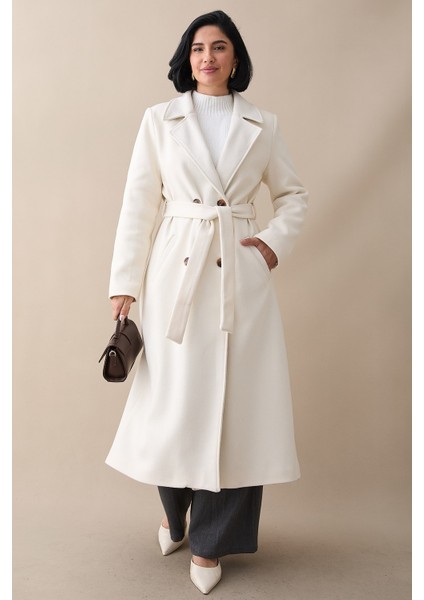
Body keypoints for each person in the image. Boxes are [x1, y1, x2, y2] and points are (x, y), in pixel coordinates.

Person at [106, 9, 308, 594]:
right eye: (198, 48)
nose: (208, 57)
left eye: (219, 47)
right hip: (176, 272)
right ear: (186, 58)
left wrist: (269, 245)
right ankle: (175, 515)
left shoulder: (263, 124)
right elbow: (138, 203)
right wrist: (125, 282)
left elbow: (293, 196)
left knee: (237, 411)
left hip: (240, 277)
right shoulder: (159, 119)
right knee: (173, 402)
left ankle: (211, 542)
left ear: (235, 57)